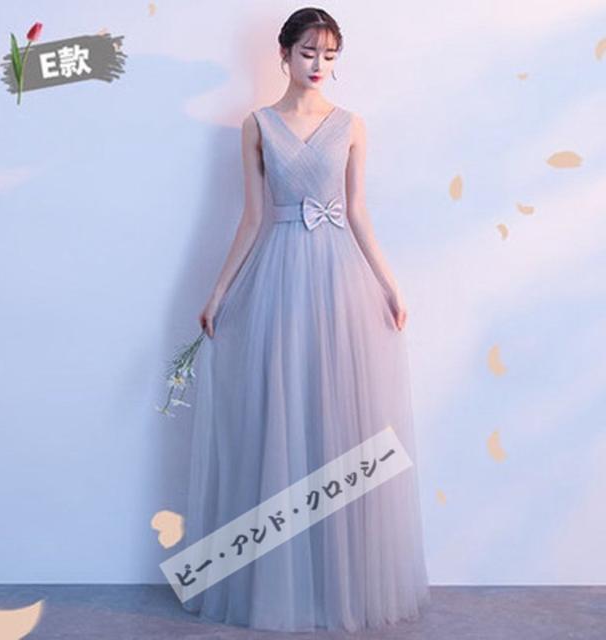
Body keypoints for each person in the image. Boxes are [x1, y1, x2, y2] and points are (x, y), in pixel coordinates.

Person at [179, 7, 431, 633]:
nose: (319, 65)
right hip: (278, 278)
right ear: (284, 55)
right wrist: (218, 292)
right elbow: (252, 218)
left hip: (340, 280)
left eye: (329, 55)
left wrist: (390, 284)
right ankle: (279, 584)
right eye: (309, 53)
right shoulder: (257, 125)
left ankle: (338, 584)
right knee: (282, 420)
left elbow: (359, 212)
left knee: (339, 420)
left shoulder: (351, 125)